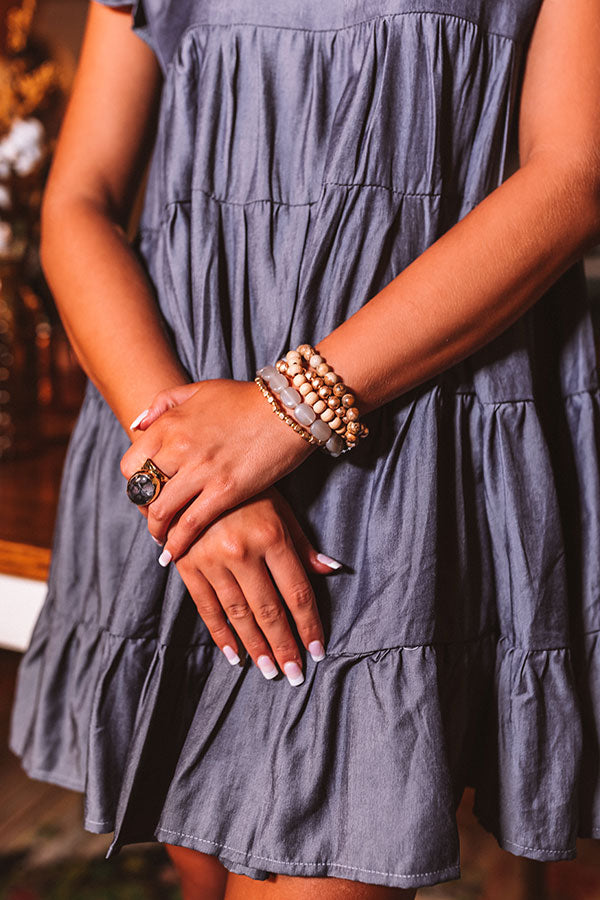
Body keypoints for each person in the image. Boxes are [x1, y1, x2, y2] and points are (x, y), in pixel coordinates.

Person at [8, 0, 600, 896]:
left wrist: (281, 415)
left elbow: (571, 178)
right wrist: (190, 470)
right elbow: (79, 199)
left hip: (394, 456)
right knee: (200, 870)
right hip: (171, 418)